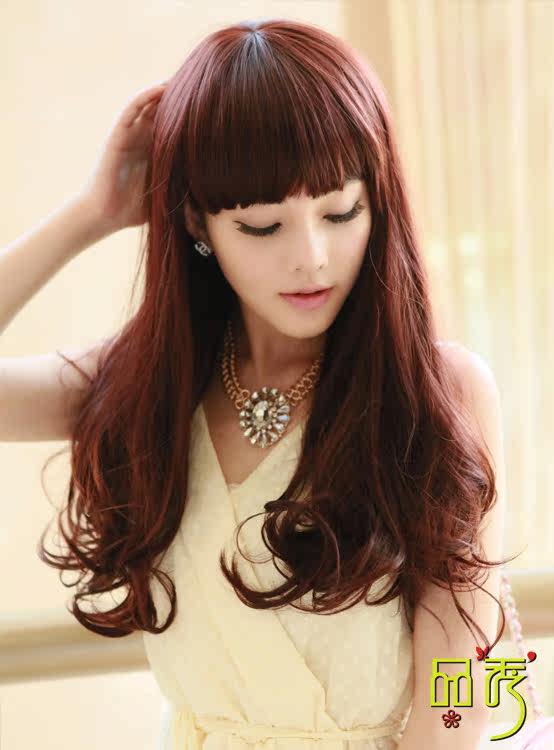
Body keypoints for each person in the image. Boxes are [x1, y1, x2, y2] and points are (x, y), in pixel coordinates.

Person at [0, 18, 518, 750]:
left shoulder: (438, 393)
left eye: (340, 212)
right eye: (263, 227)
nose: (312, 257)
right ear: (197, 222)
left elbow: (459, 693)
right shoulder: (148, 386)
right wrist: (91, 215)